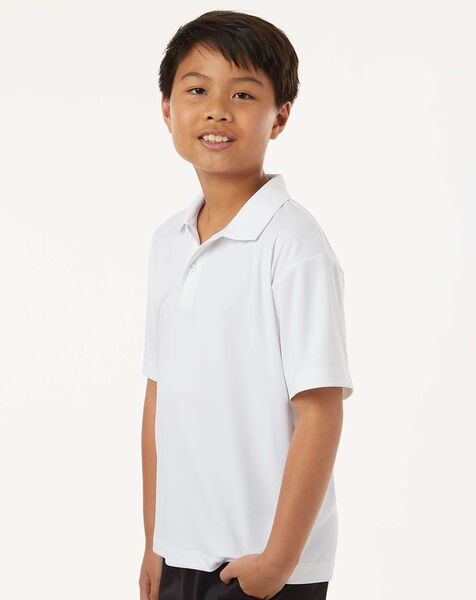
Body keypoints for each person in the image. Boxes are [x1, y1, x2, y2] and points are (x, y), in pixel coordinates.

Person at [139, 10, 354, 600]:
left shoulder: (294, 243)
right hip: (181, 551)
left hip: (260, 563)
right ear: (167, 108)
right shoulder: (168, 241)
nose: (216, 110)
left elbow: (320, 410)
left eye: (242, 94)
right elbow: (159, 397)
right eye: (196, 90)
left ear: (279, 116)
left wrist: (277, 562)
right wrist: (155, 540)